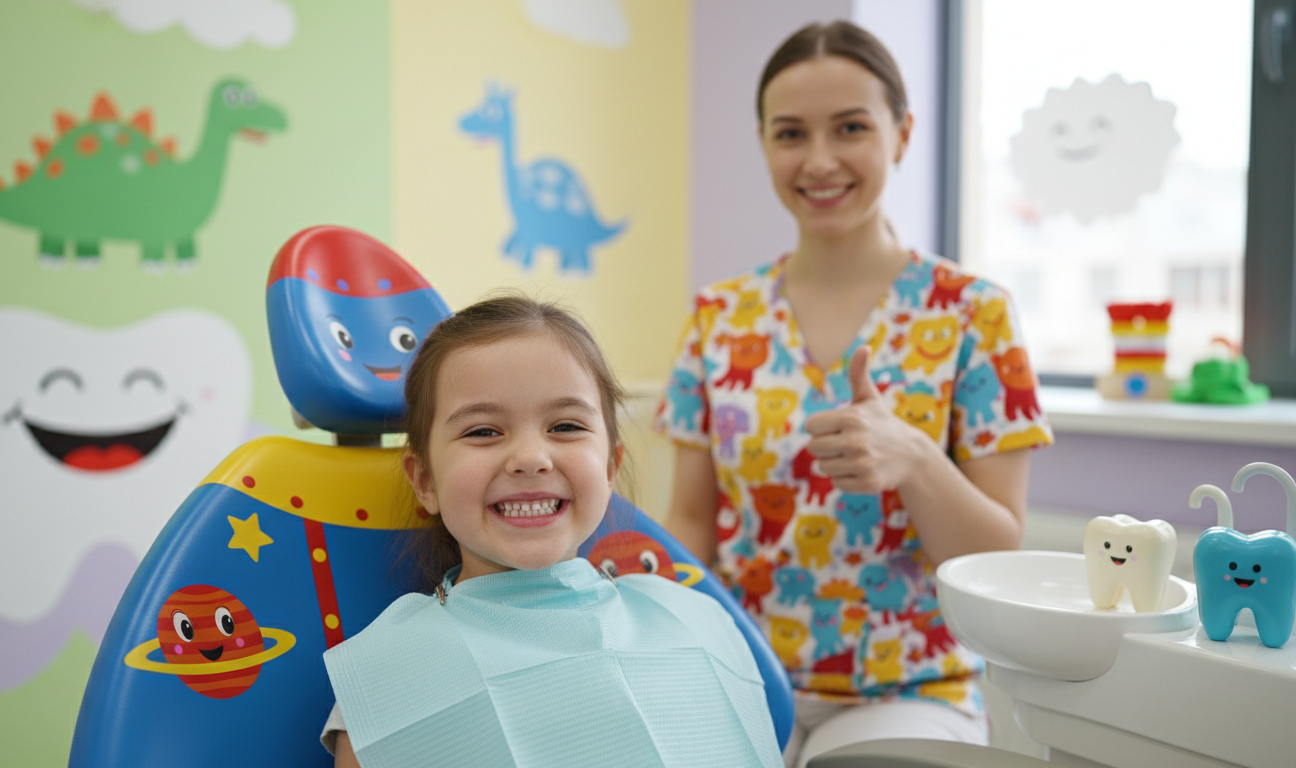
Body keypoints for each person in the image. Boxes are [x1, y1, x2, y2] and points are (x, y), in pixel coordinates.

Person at [656, 21, 1053, 768]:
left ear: (902, 134)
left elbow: (997, 555)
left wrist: (916, 459)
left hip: (907, 688)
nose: (819, 160)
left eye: (850, 128)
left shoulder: (974, 313)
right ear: (763, 143)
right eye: (790, 134)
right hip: (739, 672)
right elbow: (690, 523)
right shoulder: (718, 316)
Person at [321, 294, 784, 768]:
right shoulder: (387, 676)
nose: (530, 458)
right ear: (425, 481)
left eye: (564, 426)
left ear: (610, 466)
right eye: (483, 431)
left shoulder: (691, 619)